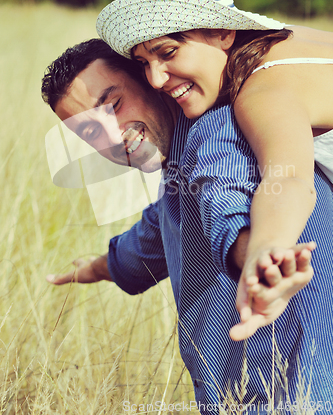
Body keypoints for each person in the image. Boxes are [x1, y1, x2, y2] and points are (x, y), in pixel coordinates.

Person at [42, 39, 333, 412]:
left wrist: (258, 257)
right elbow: (158, 234)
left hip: (295, 395)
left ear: (153, 81)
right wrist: (98, 267)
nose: (113, 136)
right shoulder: (178, 170)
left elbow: (225, 206)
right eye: (91, 132)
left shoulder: (215, 133)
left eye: (113, 105)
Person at [96, 0, 333, 333]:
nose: (155, 79)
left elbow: (288, 179)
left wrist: (262, 251)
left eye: (168, 51)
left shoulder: (260, 92)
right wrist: (102, 265)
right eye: (143, 62)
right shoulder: (283, 39)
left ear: (223, 33)